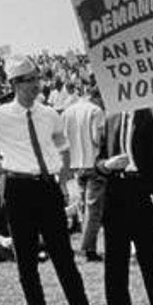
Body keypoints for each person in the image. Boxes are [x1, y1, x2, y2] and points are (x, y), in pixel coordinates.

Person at [0, 56, 102, 305]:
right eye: (28, 80)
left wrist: (62, 177)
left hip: (47, 187)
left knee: (64, 256)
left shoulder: (49, 113)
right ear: (14, 84)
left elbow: (62, 144)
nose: (35, 85)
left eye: (37, 78)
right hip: (18, 187)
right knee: (25, 258)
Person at [95, 107, 153, 305]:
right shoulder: (111, 118)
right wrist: (107, 165)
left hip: (142, 192)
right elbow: (98, 161)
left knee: (150, 260)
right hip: (115, 192)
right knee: (115, 260)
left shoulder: (151, 116)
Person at [61, 83, 107, 261]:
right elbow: (96, 138)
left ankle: (86, 245)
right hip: (93, 162)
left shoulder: (67, 112)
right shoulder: (96, 111)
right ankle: (88, 248)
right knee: (93, 210)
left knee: (82, 207)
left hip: (76, 163)